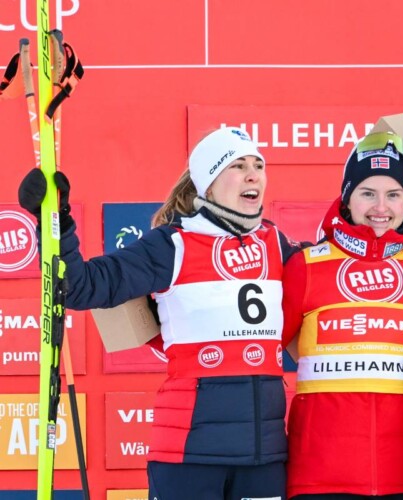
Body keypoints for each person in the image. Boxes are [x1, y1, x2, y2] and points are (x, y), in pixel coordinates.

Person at [18, 127, 300, 500]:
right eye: (237, 165)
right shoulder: (173, 244)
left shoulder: (277, 245)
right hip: (188, 453)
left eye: (258, 165)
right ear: (209, 185)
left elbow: (337, 272)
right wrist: (56, 220)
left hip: (264, 457)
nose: (253, 175)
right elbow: (79, 285)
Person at [281, 131, 403, 499]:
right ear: (347, 199)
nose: (381, 207)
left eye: (393, 194)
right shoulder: (307, 265)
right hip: (322, 471)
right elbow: (265, 347)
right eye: (367, 193)